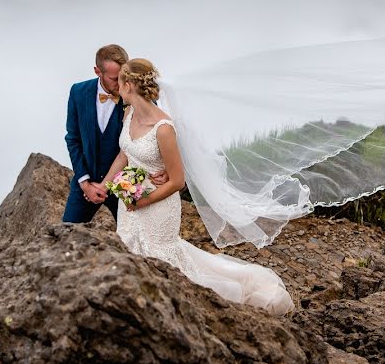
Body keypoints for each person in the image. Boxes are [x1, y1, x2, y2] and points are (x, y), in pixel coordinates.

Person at [100, 59, 295, 316]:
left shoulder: (164, 129)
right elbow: (125, 155)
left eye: (119, 83)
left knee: (161, 259)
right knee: (130, 251)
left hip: (157, 205)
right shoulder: (129, 115)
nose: (116, 88)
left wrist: (143, 200)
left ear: (128, 85)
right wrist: (108, 184)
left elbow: (177, 181)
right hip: (131, 201)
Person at [62, 45, 167, 224]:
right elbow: (73, 139)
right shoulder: (78, 92)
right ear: (97, 71)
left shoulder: (137, 96)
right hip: (86, 184)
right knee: (66, 235)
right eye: (114, 78)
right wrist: (84, 183)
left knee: (134, 244)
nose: (121, 84)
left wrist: (164, 168)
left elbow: (158, 134)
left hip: (126, 185)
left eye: (123, 77)